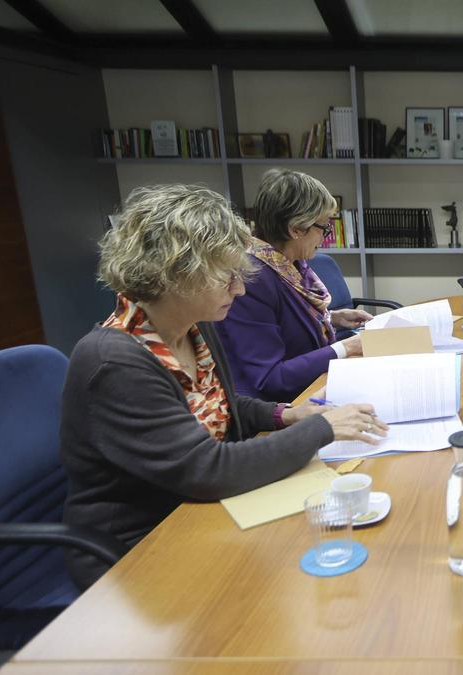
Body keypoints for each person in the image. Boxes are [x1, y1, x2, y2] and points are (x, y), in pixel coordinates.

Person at [61, 185, 387, 590]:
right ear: (174, 273)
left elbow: (224, 405)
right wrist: (321, 428)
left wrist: (286, 413)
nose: (241, 288)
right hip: (141, 546)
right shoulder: (114, 364)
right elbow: (207, 469)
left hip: (201, 510)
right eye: (226, 276)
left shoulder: (193, 329)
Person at [215, 169, 370, 402]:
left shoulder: (288, 264)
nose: (325, 237)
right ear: (295, 229)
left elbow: (282, 320)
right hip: (279, 408)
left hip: (311, 386)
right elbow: (270, 378)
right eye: (324, 228)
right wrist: (345, 348)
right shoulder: (251, 278)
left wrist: (331, 317)